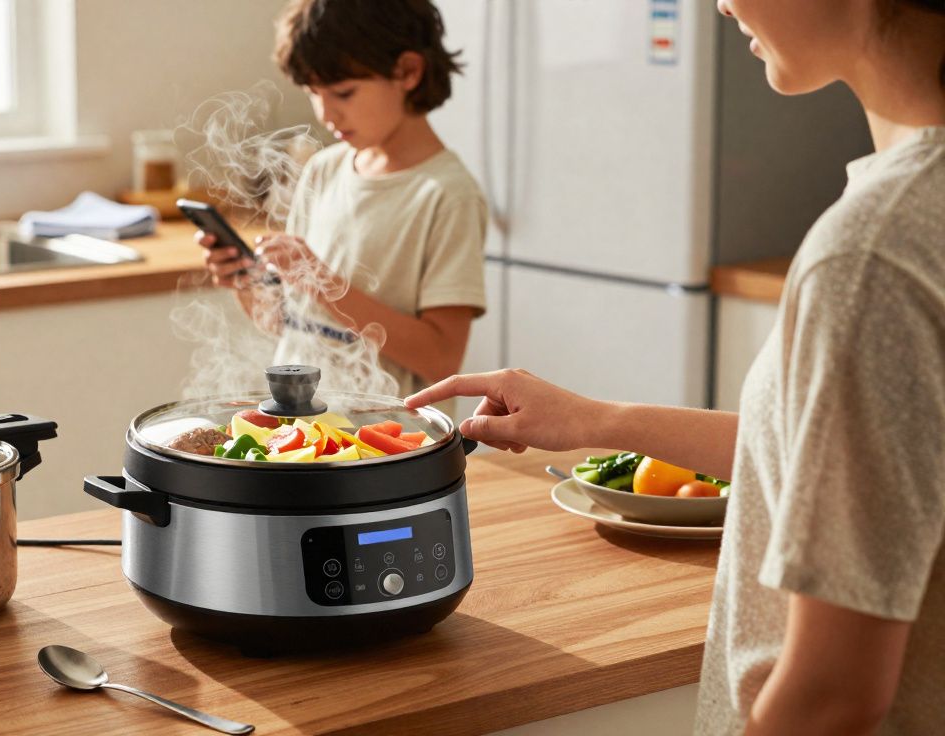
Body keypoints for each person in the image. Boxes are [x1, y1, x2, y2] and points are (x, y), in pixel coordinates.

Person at [406, 0, 945, 733]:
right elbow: (871, 471)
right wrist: (597, 422)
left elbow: (832, 696)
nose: (720, 3)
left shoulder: (871, 253)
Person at [195, 0, 487, 403]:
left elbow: (441, 360)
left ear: (408, 71)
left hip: (386, 446)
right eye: (314, 93)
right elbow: (294, 322)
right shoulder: (323, 170)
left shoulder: (446, 195)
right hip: (302, 428)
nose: (325, 113)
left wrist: (326, 284)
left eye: (343, 93)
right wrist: (246, 284)